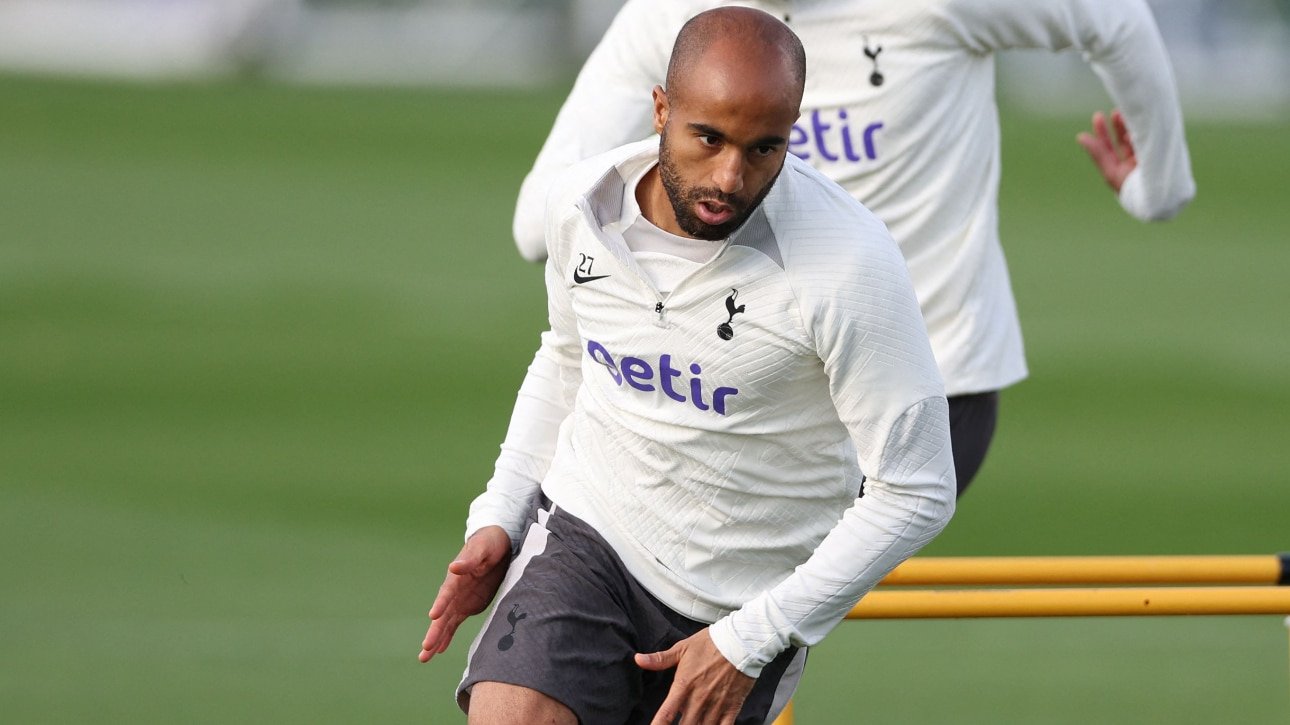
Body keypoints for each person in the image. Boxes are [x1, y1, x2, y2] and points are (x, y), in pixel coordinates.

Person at [419, 8, 956, 724]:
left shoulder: (849, 264)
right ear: (661, 109)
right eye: (709, 138)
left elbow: (917, 489)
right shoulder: (580, 207)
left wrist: (751, 638)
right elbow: (568, 358)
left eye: (764, 149)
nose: (731, 176)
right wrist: (501, 514)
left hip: (741, 606)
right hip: (590, 541)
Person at [510, 0, 1197, 496]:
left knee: (710, 610)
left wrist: (1159, 187)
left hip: (926, 392)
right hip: (748, 389)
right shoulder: (675, 18)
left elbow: (1116, 22)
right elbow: (538, 223)